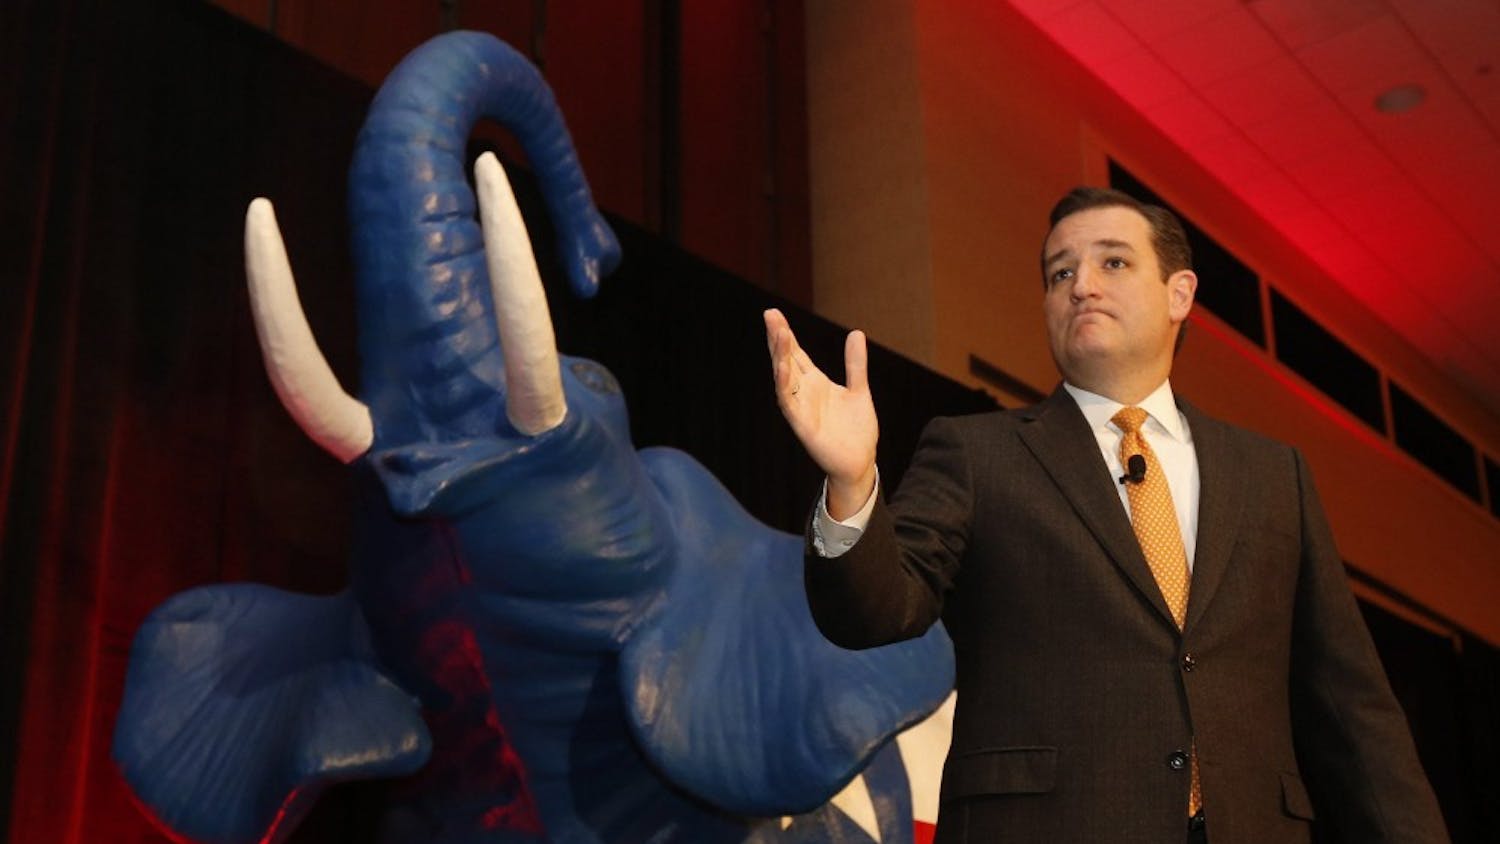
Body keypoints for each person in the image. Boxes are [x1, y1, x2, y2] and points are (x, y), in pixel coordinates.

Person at [763, 187, 1448, 843]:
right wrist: (852, 482)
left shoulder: (1274, 477)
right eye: (1060, 273)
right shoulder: (978, 453)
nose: (1081, 285)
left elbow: (1354, 712)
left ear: (1180, 294)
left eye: (1112, 262)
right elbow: (877, 609)